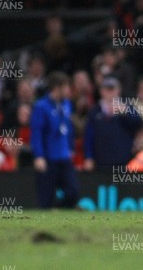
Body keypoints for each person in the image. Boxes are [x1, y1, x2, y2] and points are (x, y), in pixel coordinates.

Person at [30, 71, 79, 208]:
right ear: (57, 88)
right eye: (66, 87)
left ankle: (58, 210)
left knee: (73, 192)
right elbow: (37, 132)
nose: (69, 90)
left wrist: (71, 147)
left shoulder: (67, 104)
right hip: (48, 157)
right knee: (45, 198)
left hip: (64, 157)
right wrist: (39, 156)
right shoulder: (41, 106)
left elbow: (68, 127)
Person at [82, 76, 143, 170]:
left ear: (119, 90)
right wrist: (88, 157)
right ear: (101, 91)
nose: (110, 92)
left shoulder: (127, 107)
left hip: (124, 159)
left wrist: (126, 113)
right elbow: (89, 135)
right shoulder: (95, 111)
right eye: (106, 89)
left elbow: (139, 124)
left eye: (112, 89)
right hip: (101, 160)